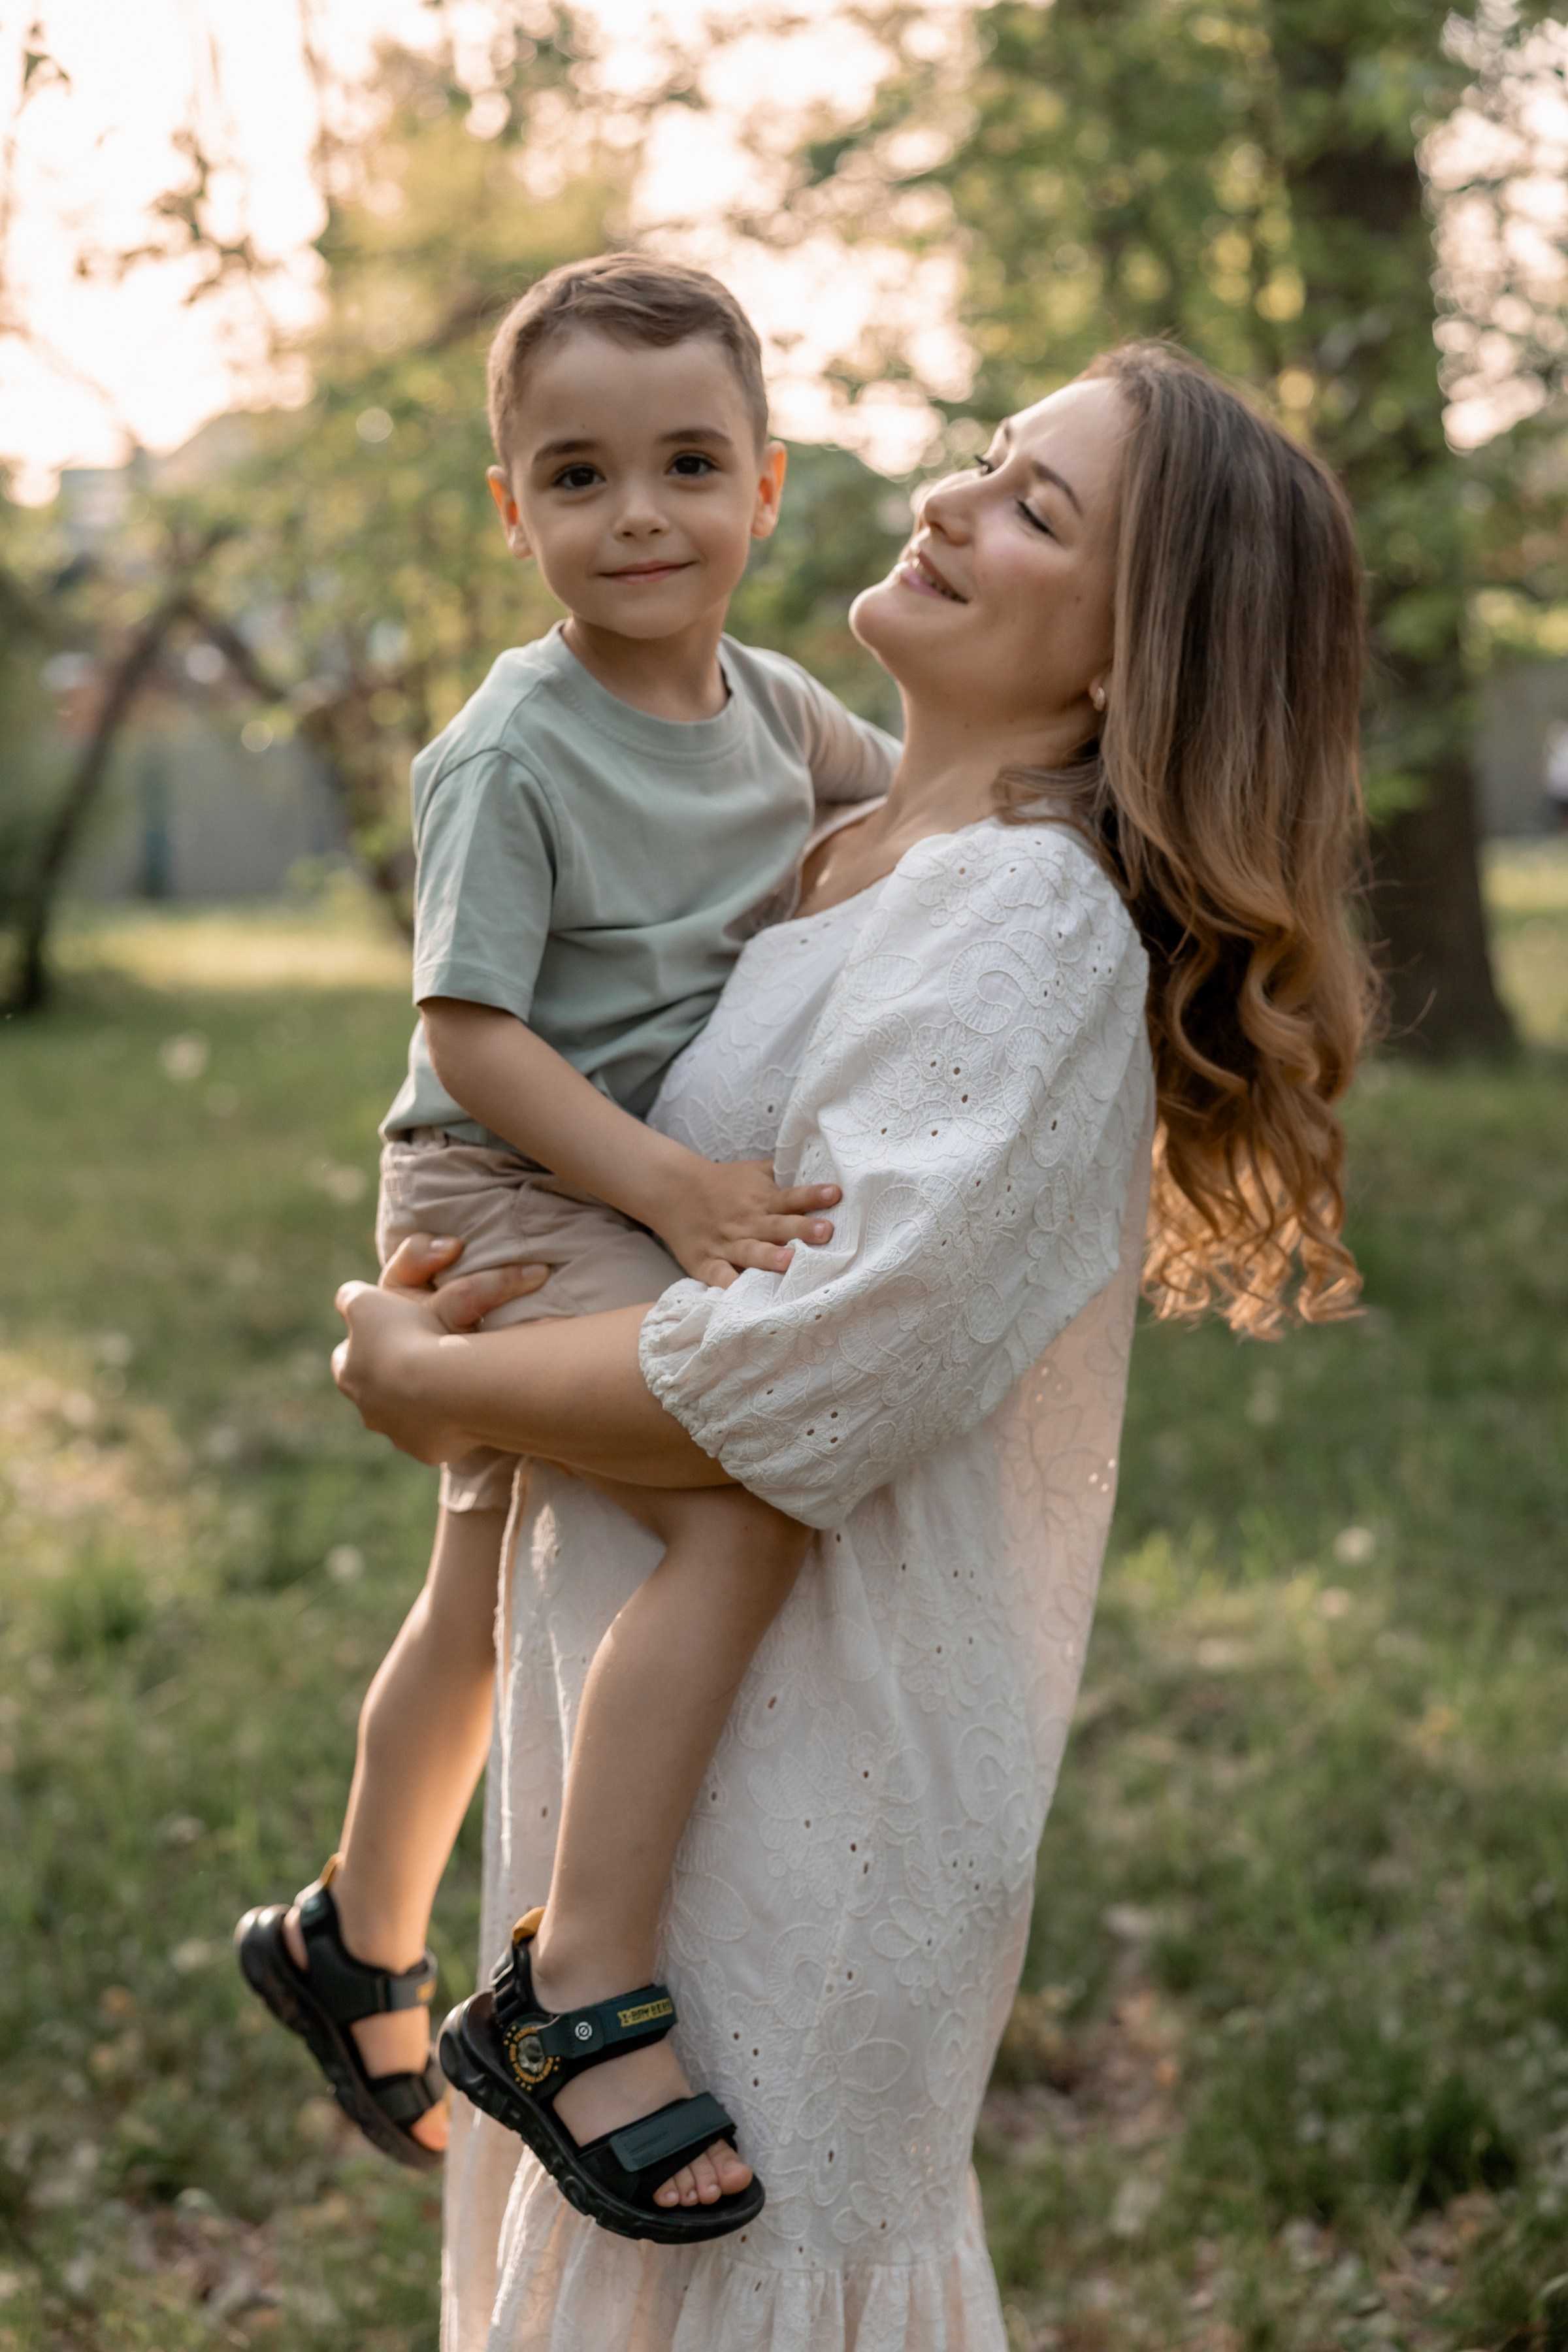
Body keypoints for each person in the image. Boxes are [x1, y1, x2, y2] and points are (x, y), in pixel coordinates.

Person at [331, 339, 1374, 2349]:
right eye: (988, 462)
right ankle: (369, 1933)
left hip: (802, 1806)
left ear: (1128, 659)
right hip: (660, 1760)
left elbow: (814, 1372)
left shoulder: (1023, 928)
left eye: (1034, 508)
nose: (949, 504)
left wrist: (423, 1382)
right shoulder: (837, 855)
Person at [235, 253, 901, 2232]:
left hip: (605, 1180)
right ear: (512, 509)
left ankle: (354, 1935)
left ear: (764, 491)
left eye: (688, 465)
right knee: (746, 1494)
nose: (640, 518)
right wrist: (678, 1193)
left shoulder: (778, 714)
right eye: (581, 476)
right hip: (509, 1187)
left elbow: (926, 821)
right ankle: (575, 1981)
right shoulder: (511, 751)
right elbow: (469, 1033)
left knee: (487, 1584)